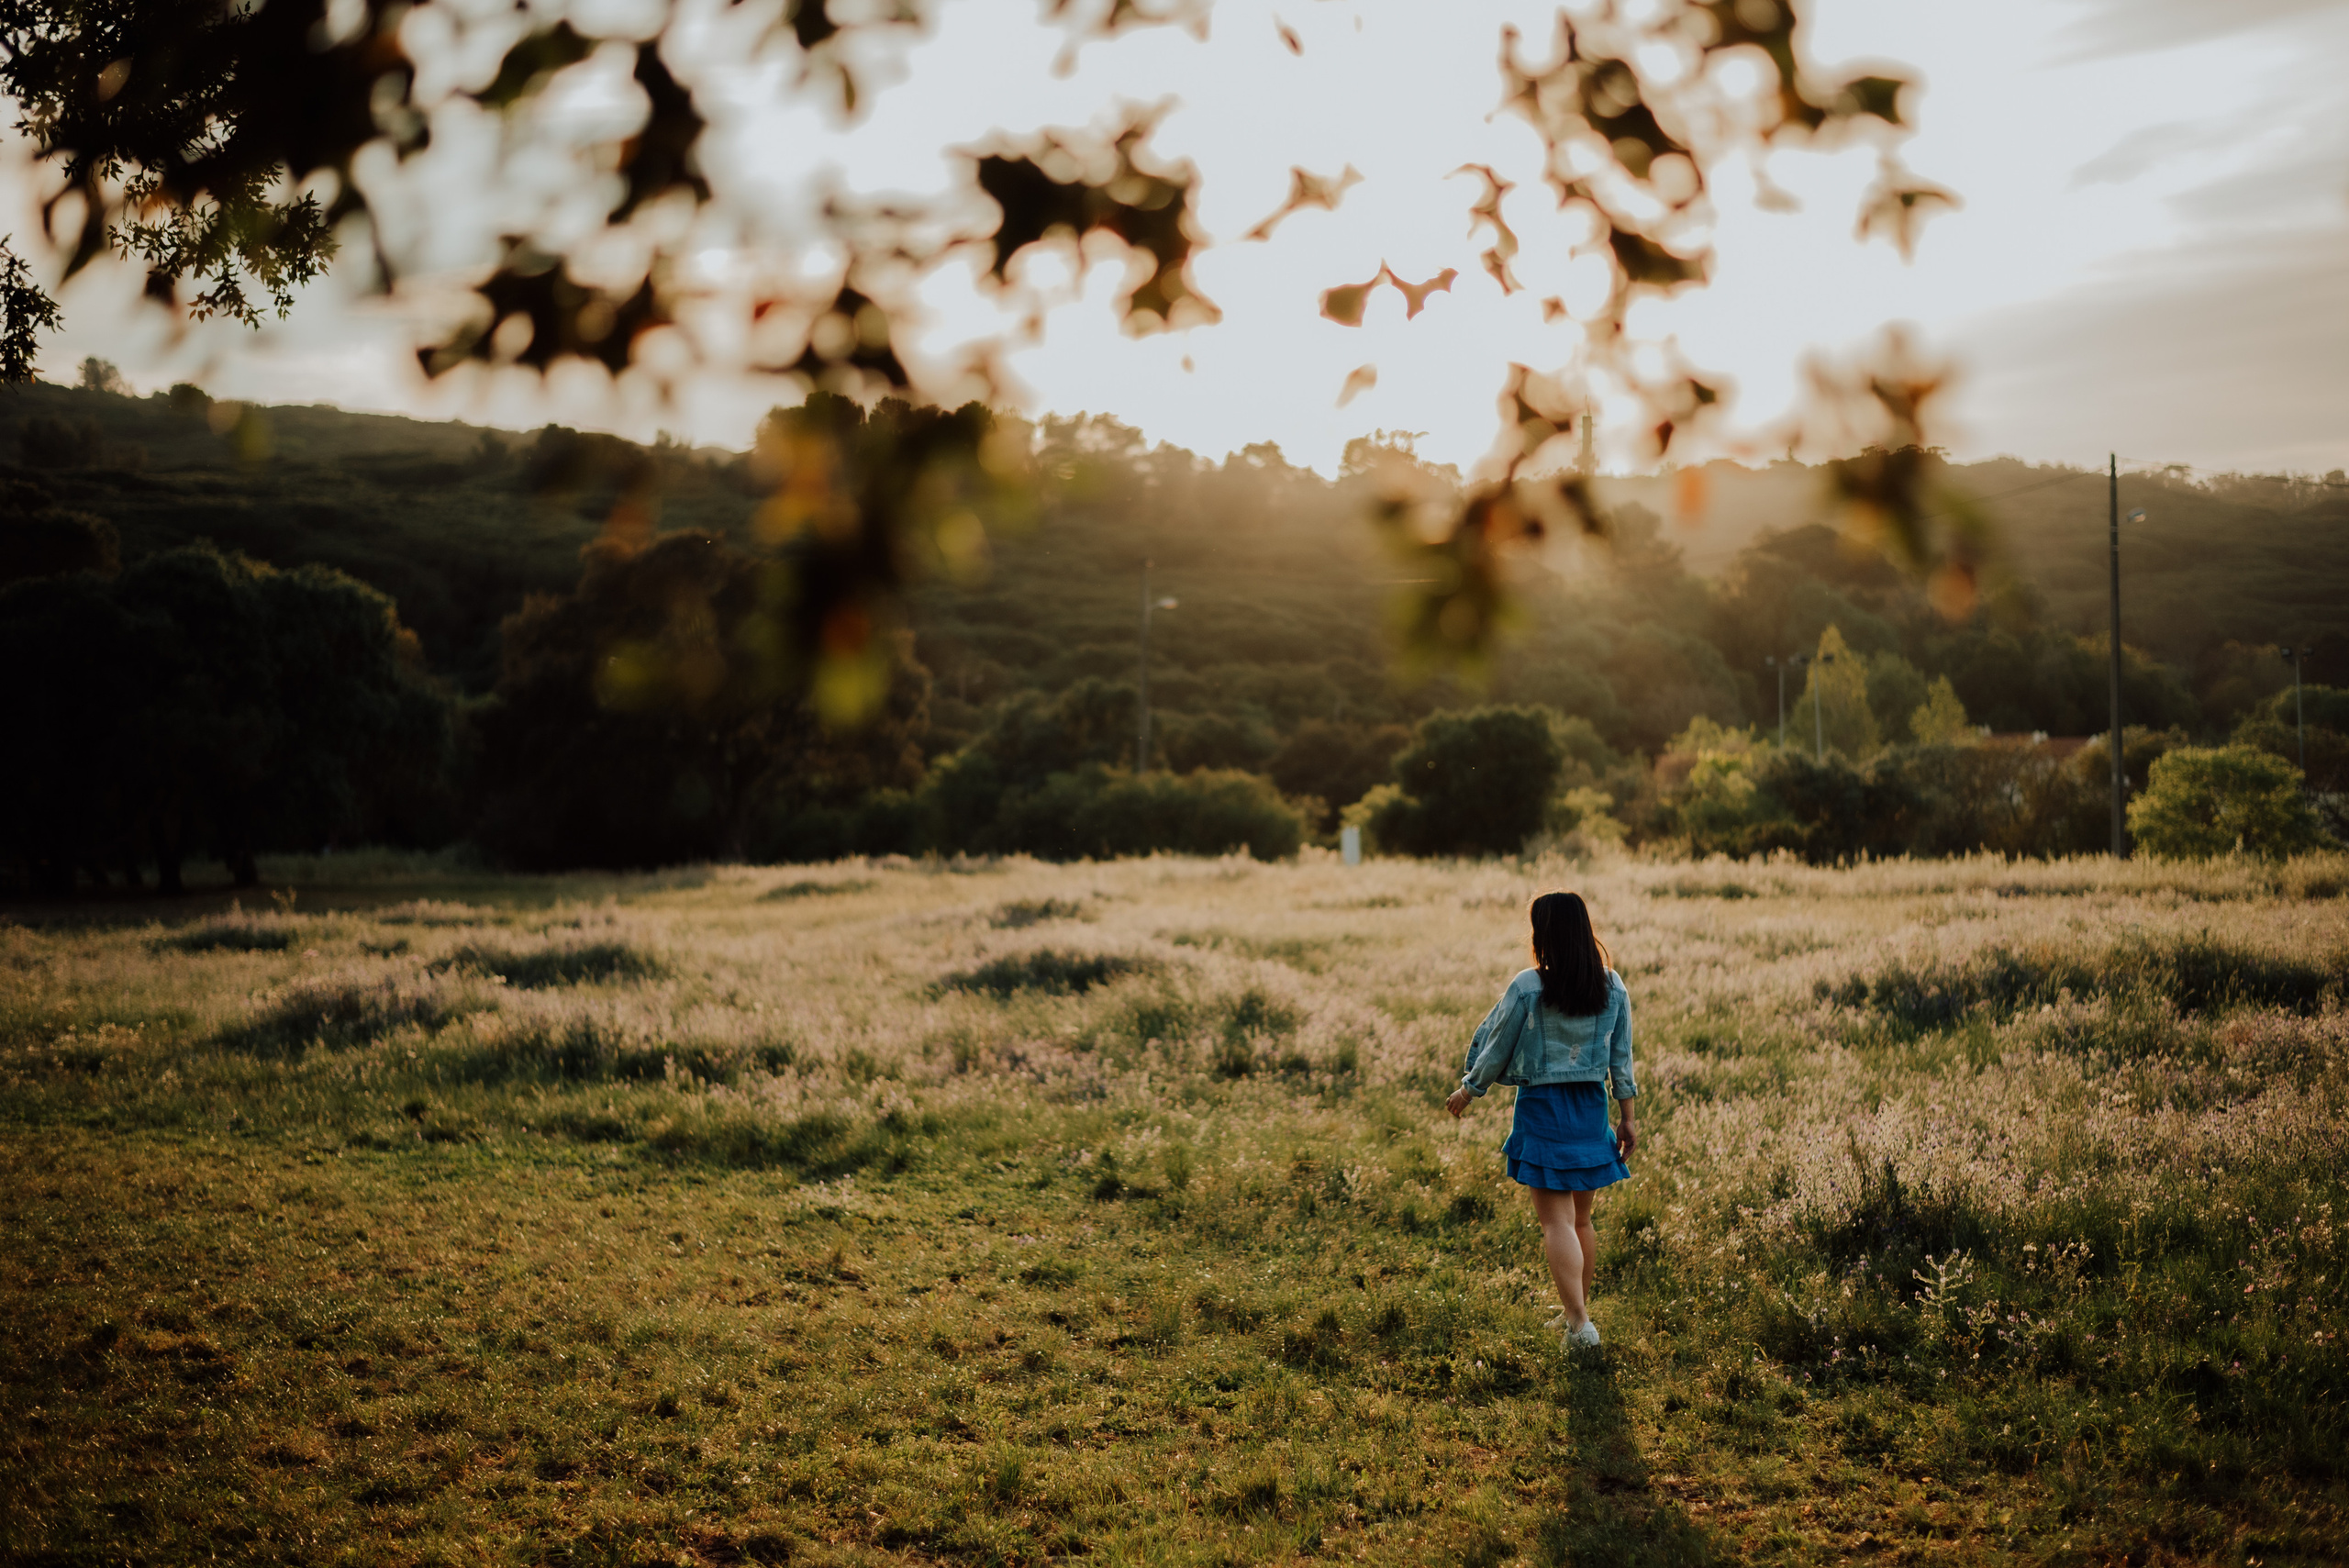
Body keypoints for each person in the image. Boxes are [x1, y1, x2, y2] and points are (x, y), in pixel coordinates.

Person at [1445, 890, 1637, 1350]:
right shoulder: (1612, 986)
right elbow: (1622, 1059)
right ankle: (1580, 1314)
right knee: (1581, 1221)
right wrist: (1628, 1118)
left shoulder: (1529, 986)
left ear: (1542, 933)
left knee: (1556, 1223)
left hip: (1544, 1110)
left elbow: (1497, 1045)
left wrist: (1469, 1089)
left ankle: (1578, 1324)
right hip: (1592, 1110)